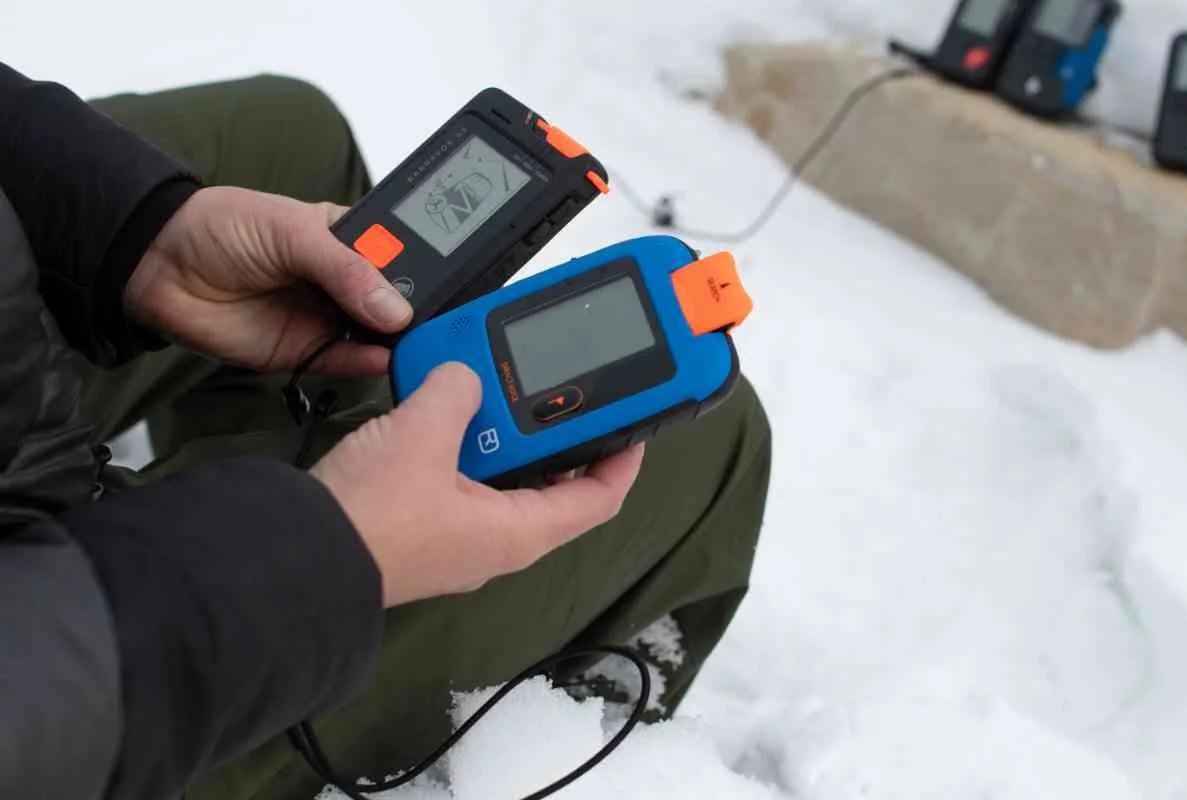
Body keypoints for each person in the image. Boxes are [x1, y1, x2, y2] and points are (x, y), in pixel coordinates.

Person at [0, 63, 771, 800]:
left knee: (296, 137)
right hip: (62, 692)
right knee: (711, 442)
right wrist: (327, 560)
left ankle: (290, 447)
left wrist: (137, 234)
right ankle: (550, 732)